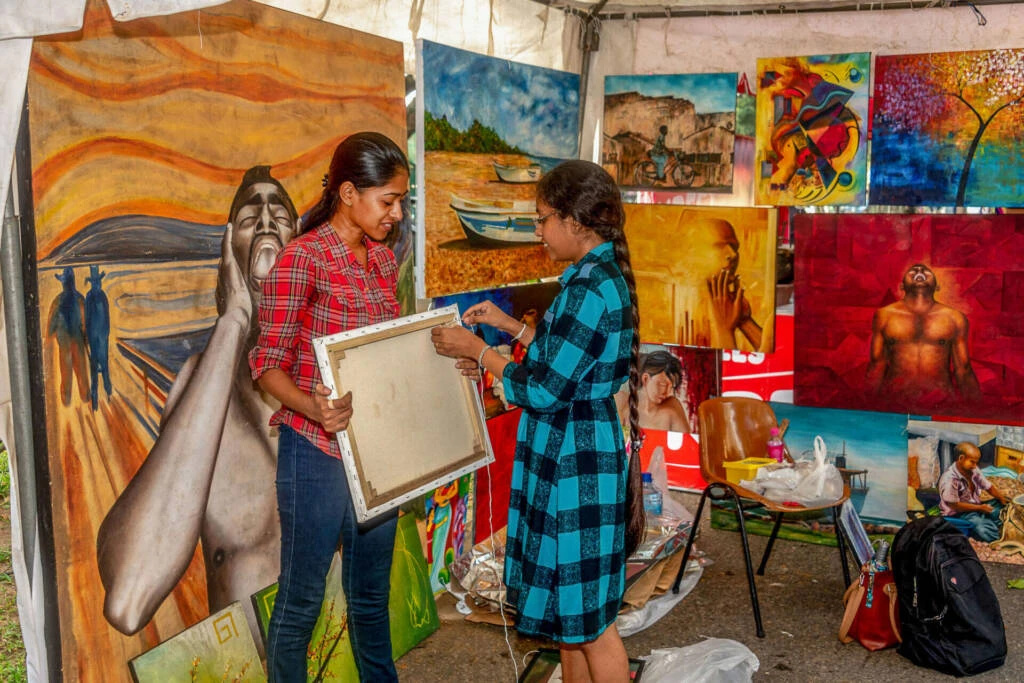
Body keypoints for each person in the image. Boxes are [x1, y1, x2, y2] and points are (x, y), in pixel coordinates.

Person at [432, 160, 645, 683]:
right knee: (572, 618)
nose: (539, 230)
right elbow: (567, 359)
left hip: (575, 463)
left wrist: (478, 350)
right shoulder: (593, 277)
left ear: (576, 221)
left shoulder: (589, 288)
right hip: (576, 449)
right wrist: (509, 326)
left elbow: (546, 388)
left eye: (543, 218)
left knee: (591, 624)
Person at [97, 166, 299, 646]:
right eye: (249, 217)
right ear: (230, 251)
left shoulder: (333, 367)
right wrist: (233, 321)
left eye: (279, 216)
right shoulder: (205, 386)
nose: (266, 221)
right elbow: (128, 599)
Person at [249, 132, 408, 681]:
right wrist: (313, 408)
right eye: (388, 200)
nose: (396, 213)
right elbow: (266, 365)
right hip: (316, 453)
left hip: (376, 453)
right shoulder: (302, 259)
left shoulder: (383, 260)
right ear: (347, 193)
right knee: (300, 603)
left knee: (371, 599)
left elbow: (387, 353)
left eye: (400, 201)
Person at [866, 263, 981, 408]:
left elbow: (963, 369)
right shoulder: (884, 315)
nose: (919, 271)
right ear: (901, 286)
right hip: (894, 402)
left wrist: (976, 408)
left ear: (937, 287)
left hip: (941, 403)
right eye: (912, 271)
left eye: (925, 271)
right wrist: (866, 407)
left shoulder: (954, 318)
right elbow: (877, 364)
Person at [679, 218, 764, 350]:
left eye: (734, 247)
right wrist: (725, 329)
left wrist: (744, 321)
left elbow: (768, 352)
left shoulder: (728, 305)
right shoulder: (681, 306)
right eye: (719, 246)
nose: (733, 254)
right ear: (692, 252)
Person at [938, 442, 1009, 542]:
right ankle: (1000, 540)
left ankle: (996, 524)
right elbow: (954, 505)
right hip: (959, 513)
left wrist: (1000, 497)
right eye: (972, 462)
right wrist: (980, 508)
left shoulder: (973, 469)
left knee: (1002, 505)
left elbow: (988, 486)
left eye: (976, 462)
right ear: (961, 458)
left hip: (977, 506)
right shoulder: (949, 479)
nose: (975, 465)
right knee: (983, 527)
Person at [615, 350, 690, 433]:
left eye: (671, 387)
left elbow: (687, 440)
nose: (667, 392)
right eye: (662, 385)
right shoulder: (622, 401)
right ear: (645, 379)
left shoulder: (672, 406)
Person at [47, 266, 90, 406]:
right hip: (78, 342)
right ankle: (85, 397)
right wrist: (86, 339)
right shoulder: (80, 299)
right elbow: (85, 323)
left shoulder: (57, 301)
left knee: (66, 373)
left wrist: (50, 336)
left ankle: (66, 400)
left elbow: (51, 325)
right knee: (81, 371)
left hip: (64, 344)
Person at [84, 264, 112, 410]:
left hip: (102, 337)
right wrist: (88, 336)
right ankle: (94, 399)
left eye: (98, 282)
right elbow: (87, 318)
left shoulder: (102, 296)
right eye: (95, 282)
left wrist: (105, 334)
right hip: (94, 338)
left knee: (104, 365)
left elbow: (107, 318)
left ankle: (108, 392)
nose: (96, 285)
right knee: (94, 367)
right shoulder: (89, 297)